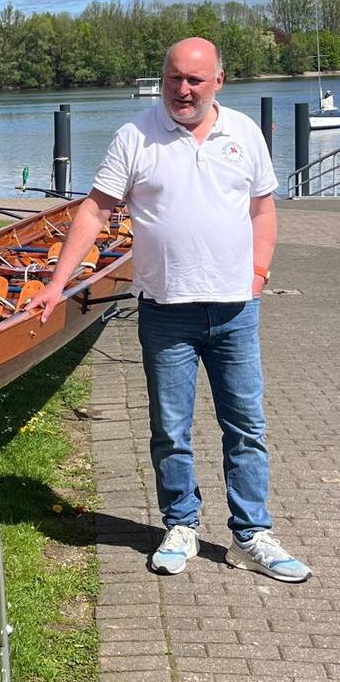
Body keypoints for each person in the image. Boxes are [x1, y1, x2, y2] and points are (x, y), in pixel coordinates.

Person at [30, 37, 310, 582]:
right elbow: (94, 211)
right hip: (165, 311)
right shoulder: (135, 135)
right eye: (174, 78)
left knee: (246, 427)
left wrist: (258, 274)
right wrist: (57, 283)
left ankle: (252, 533)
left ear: (218, 82)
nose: (182, 90)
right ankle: (181, 524)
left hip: (234, 312)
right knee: (171, 429)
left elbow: (262, 209)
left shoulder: (245, 134)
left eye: (194, 80)